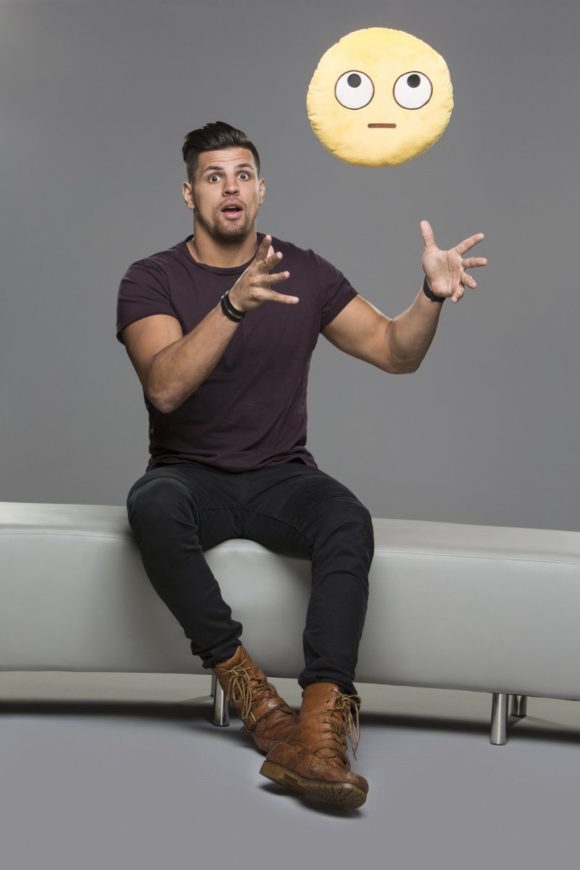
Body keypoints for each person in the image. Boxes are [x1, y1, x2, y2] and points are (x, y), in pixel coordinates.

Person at [116, 121, 486, 811]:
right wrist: (232, 304)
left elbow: (395, 351)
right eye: (214, 177)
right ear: (190, 193)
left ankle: (320, 725)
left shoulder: (306, 270)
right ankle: (257, 702)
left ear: (261, 189)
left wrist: (430, 296)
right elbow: (164, 387)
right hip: (189, 474)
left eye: (242, 175)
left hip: (280, 474)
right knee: (152, 504)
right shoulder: (151, 278)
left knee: (345, 517)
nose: (230, 188)